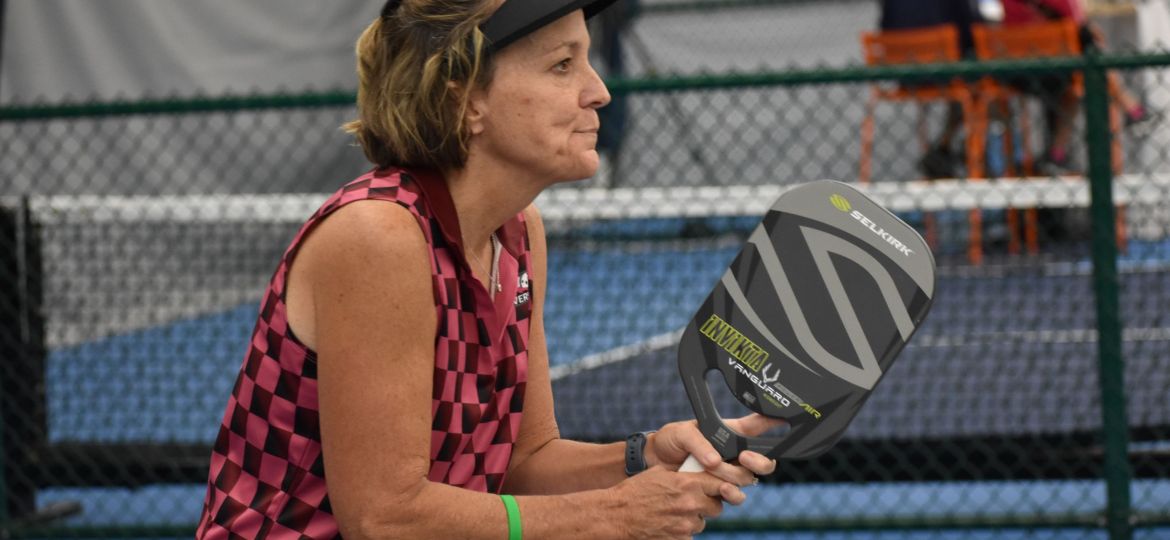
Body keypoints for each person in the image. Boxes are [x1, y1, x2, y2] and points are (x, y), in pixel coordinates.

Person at [194, 0, 779, 538]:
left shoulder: (521, 231)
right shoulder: (378, 236)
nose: (598, 91)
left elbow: (523, 465)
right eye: (561, 66)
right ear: (464, 100)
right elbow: (384, 517)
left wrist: (643, 456)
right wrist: (613, 512)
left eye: (587, 61)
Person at [1002, 0, 1156, 174]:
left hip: (1017, 70)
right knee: (1091, 48)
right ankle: (1133, 110)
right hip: (1055, 68)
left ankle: (1056, 155)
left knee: (1073, 91)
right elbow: (1076, 18)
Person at [879, 0, 985, 179]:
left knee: (968, 87)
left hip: (904, 72)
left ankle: (947, 148)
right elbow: (970, 30)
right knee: (980, 88)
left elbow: (885, 27)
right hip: (943, 70)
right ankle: (956, 149)